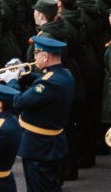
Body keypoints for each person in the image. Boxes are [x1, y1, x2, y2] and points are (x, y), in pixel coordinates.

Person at [14, 36, 73, 192]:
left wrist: (12, 81)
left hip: (39, 146)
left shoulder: (49, 83)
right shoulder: (65, 74)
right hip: (50, 144)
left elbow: (19, 102)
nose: (34, 57)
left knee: (38, 187)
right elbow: (43, 80)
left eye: (36, 53)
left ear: (45, 56)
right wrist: (24, 74)